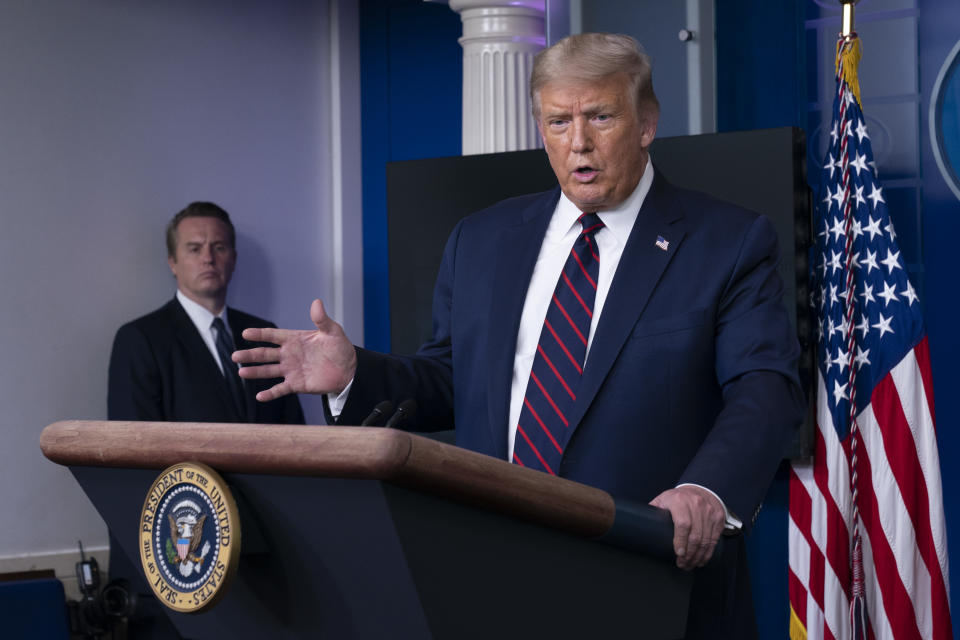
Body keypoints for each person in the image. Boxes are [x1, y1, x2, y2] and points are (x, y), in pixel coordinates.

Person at [234, 34, 804, 638]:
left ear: (646, 124)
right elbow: (454, 378)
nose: (578, 142)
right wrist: (354, 374)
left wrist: (704, 490)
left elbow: (764, 389)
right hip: (495, 573)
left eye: (600, 117)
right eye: (558, 122)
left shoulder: (727, 242)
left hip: (651, 578)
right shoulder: (481, 239)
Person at [108, 201, 304, 425]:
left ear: (233, 259)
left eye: (219, 247)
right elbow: (131, 445)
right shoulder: (139, 339)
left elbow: (294, 432)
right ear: (173, 263)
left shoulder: (265, 336)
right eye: (195, 249)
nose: (208, 258)